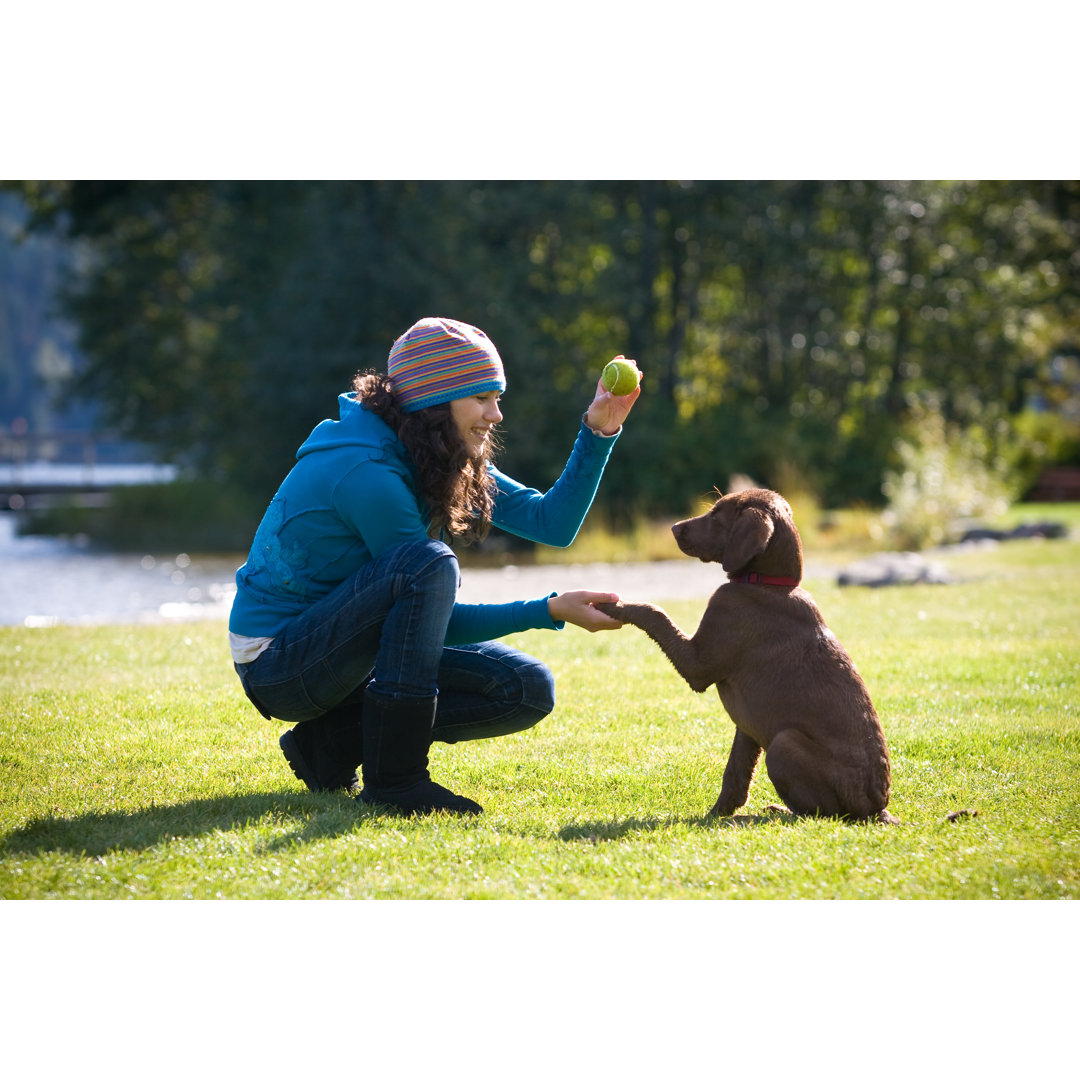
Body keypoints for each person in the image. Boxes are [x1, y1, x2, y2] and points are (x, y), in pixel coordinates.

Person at [228, 316, 640, 816]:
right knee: (427, 564)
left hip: (348, 654)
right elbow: (434, 614)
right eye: (482, 397)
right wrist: (548, 609)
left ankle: (328, 747)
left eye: (497, 396)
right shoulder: (368, 472)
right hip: (281, 663)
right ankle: (396, 781)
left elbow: (550, 523)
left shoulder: (435, 450)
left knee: (525, 689)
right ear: (434, 402)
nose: (497, 414)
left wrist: (601, 429)